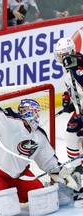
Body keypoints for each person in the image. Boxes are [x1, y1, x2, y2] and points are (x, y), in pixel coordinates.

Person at [0, 92, 80, 204]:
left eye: (31, 111)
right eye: (24, 111)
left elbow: (49, 163)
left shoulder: (39, 136)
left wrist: (64, 177)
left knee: (42, 197)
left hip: (19, 176)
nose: (28, 114)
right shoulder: (13, 124)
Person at [54, 37, 83, 207]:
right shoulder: (69, 68)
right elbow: (75, 91)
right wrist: (68, 100)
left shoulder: (79, 66)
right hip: (81, 113)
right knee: (70, 134)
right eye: (58, 55)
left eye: (63, 54)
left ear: (71, 52)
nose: (60, 59)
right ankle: (77, 171)